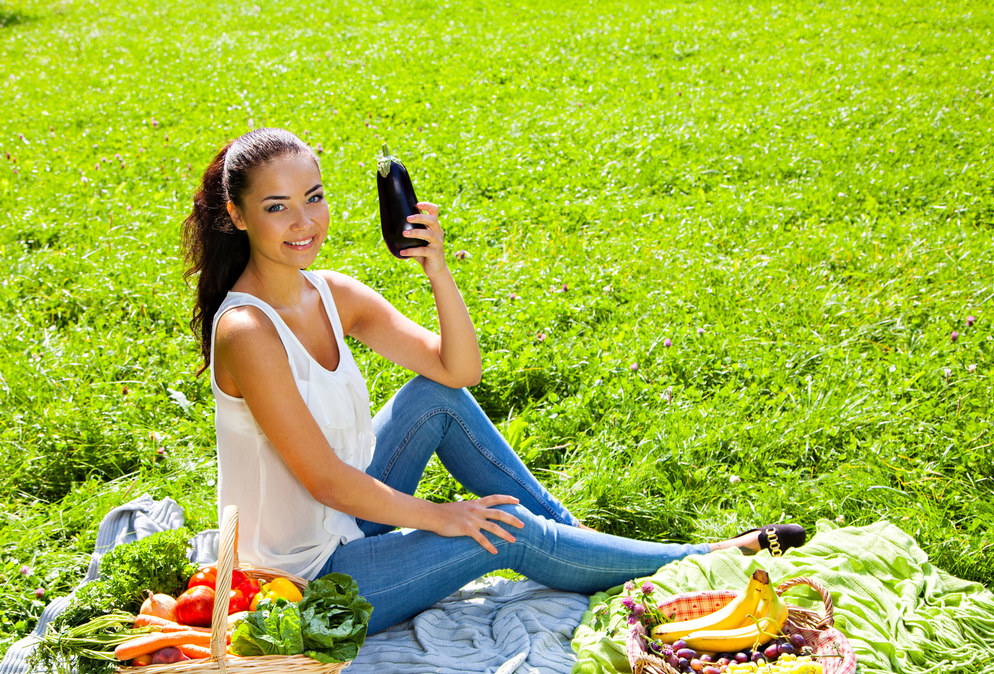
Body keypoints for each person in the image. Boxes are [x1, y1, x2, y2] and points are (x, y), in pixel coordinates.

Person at [180, 128, 805, 635]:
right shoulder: (246, 330)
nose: (303, 222)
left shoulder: (333, 293)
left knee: (435, 400)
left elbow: (458, 371)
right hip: (305, 577)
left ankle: (573, 545)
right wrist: (441, 517)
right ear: (235, 215)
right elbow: (324, 479)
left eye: (313, 198)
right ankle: (708, 558)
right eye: (276, 207)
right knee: (497, 532)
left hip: (345, 520)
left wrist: (437, 269)